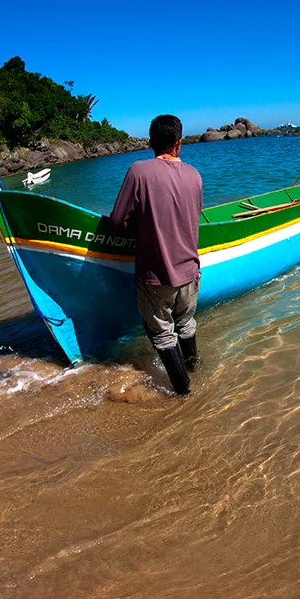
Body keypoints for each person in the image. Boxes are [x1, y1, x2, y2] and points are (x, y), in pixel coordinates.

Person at [110, 114, 203, 395]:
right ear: (179, 143)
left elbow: (117, 222)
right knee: (185, 322)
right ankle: (195, 369)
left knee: (163, 333)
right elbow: (193, 215)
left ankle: (183, 392)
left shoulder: (139, 171)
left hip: (156, 273)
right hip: (190, 271)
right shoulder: (195, 175)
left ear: (151, 142)